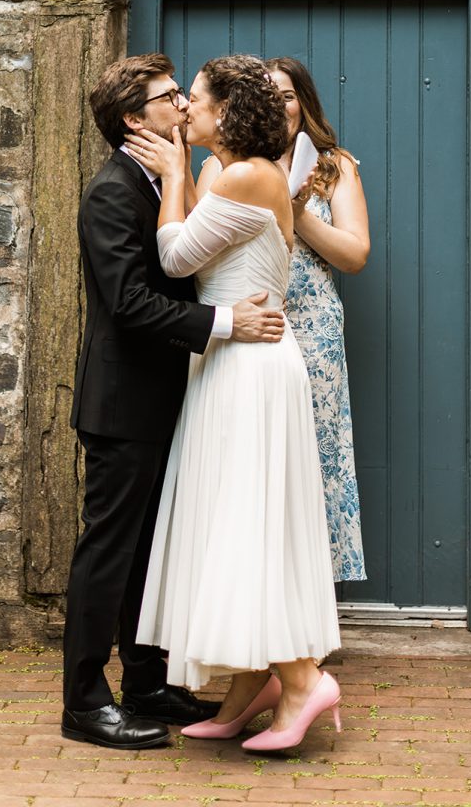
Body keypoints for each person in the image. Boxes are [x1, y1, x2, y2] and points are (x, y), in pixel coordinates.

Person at [62, 53, 286, 752]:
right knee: (109, 551)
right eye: (169, 98)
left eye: (184, 96)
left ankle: (147, 682)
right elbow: (130, 303)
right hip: (125, 404)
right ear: (136, 118)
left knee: (147, 553)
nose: (183, 106)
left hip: (176, 398)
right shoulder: (111, 192)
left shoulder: (164, 182)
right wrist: (226, 324)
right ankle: (83, 702)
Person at [127, 55, 341, 753]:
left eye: (194, 98)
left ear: (224, 111)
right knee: (236, 520)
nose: (184, 109)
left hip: (249, 370)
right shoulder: (244, 172)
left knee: (245, 524)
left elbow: (176, 258)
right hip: (232, 360)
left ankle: (305, 681)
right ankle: (252, 685)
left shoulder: (248, 174)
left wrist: (175, 179)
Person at [198, 57, 370, 584]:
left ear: (305, 103)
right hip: (245, 320)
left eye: (289, 94)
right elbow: (200, 247)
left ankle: (309, 606)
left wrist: (293, 215)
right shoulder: (223, 164)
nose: (281, 104)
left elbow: (355, 254)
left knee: (312, 458)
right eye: (270, 94)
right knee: (249, 460)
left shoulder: (333, 166)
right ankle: (248, 594)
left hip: (312, 329)